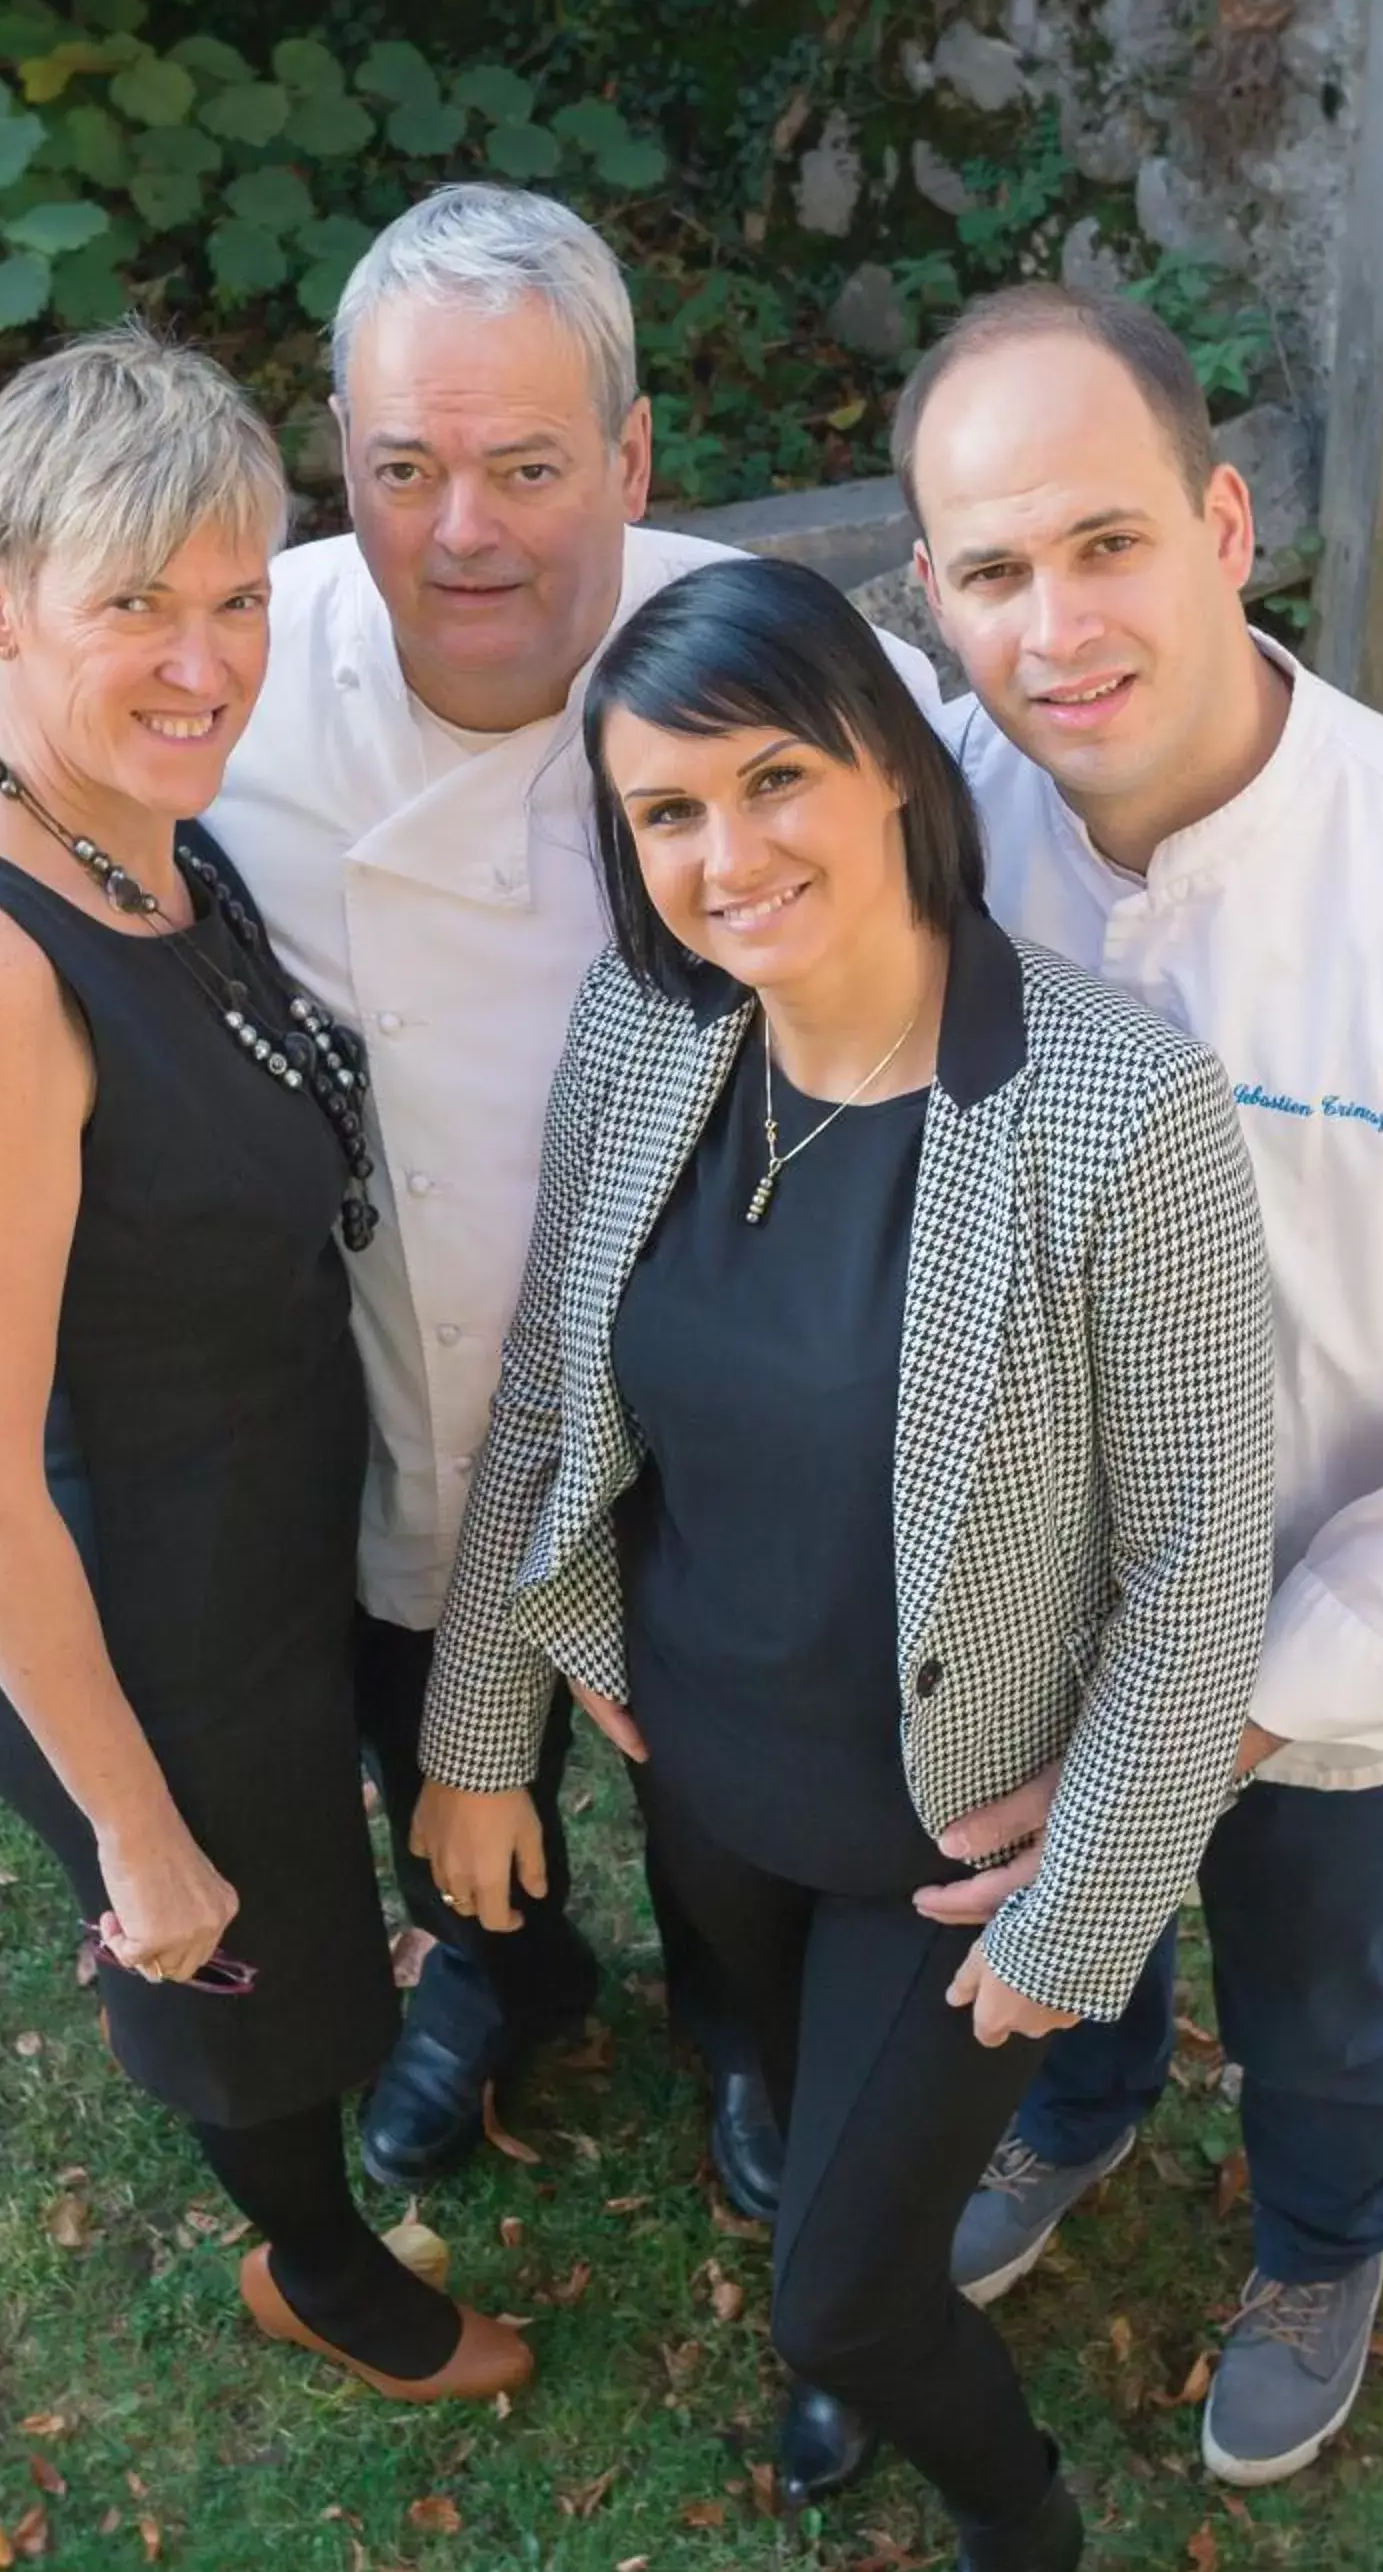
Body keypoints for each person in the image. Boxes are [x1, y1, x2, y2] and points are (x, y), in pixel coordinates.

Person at [410, 556, 1277, 2572]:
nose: (725, 857)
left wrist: (1083, 1903)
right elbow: (548, 1396)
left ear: (891, 766)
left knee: (848, 2289)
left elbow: (1195, 1558)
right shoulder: (646, 1032)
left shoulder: (1113, 1108)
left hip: (957, 1831)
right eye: (665, 813)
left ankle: (1014, 2535)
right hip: (698, 1766)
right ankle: (839, 2350)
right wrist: (483, 1731)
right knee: (773, 2112)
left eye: (773, 778)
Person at [890, 284, 1383, 2486]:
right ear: (930, 598)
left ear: (1225, 525)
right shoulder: (936, 832)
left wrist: (1203, 1729)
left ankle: (1323, 2235)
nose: (1058, 626)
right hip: (1045, 1598)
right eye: (996, 572)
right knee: (1060, 1923)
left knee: (1325, 1998)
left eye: (1104, 541)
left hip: (1334, 1665)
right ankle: (1080, 2107)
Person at [209, 184, 946, 2215]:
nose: (464, 535)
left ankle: (740, 2027)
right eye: (404, 469)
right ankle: (503, 1974)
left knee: (723, 1758)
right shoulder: (237, 695)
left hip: (710, 1380)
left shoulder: (759, 665)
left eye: (530, 467)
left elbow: (989, 828)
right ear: (337, 466)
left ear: (629, 459)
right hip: (395, 1350)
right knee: (417, 1705)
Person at [0, 326, 529, 2412]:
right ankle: (319, 2266)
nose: (206, 659)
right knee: (230, 1949)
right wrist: (132, 1829)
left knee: (313, 1898)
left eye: (238, 599)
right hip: (131, 1598)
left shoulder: (148, 834)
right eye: (136, 603)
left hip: (260, 1523)